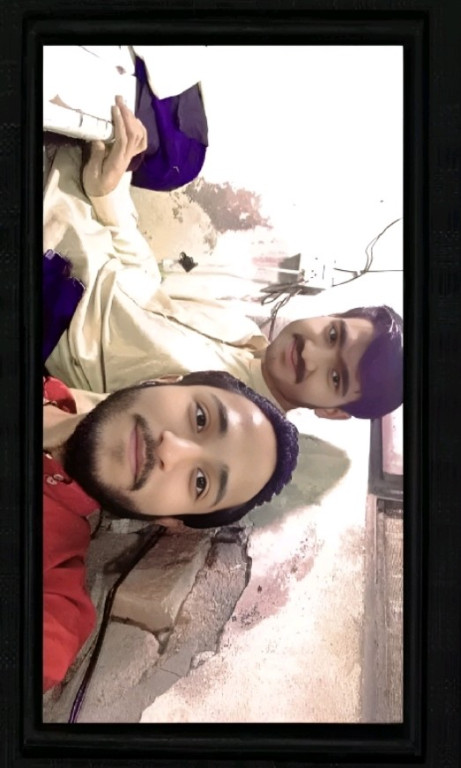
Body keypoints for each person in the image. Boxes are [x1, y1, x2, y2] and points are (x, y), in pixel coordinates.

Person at [43, 100, 403, 421]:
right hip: (83, 225)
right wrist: (108, 193)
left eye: (336, 377)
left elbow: (94, 421)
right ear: (331, 315)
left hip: (55, 286)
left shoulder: (223, 420)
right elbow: (148, 289)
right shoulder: (245, 335)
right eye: (333, 334)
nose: (311, 354)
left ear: (333, 411)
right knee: (177, 136)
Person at [43, 370, 299, 691]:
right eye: (201, 418)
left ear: (167, 519)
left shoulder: (54, 592)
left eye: (200, 482)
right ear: (165, 379)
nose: (171, 450)